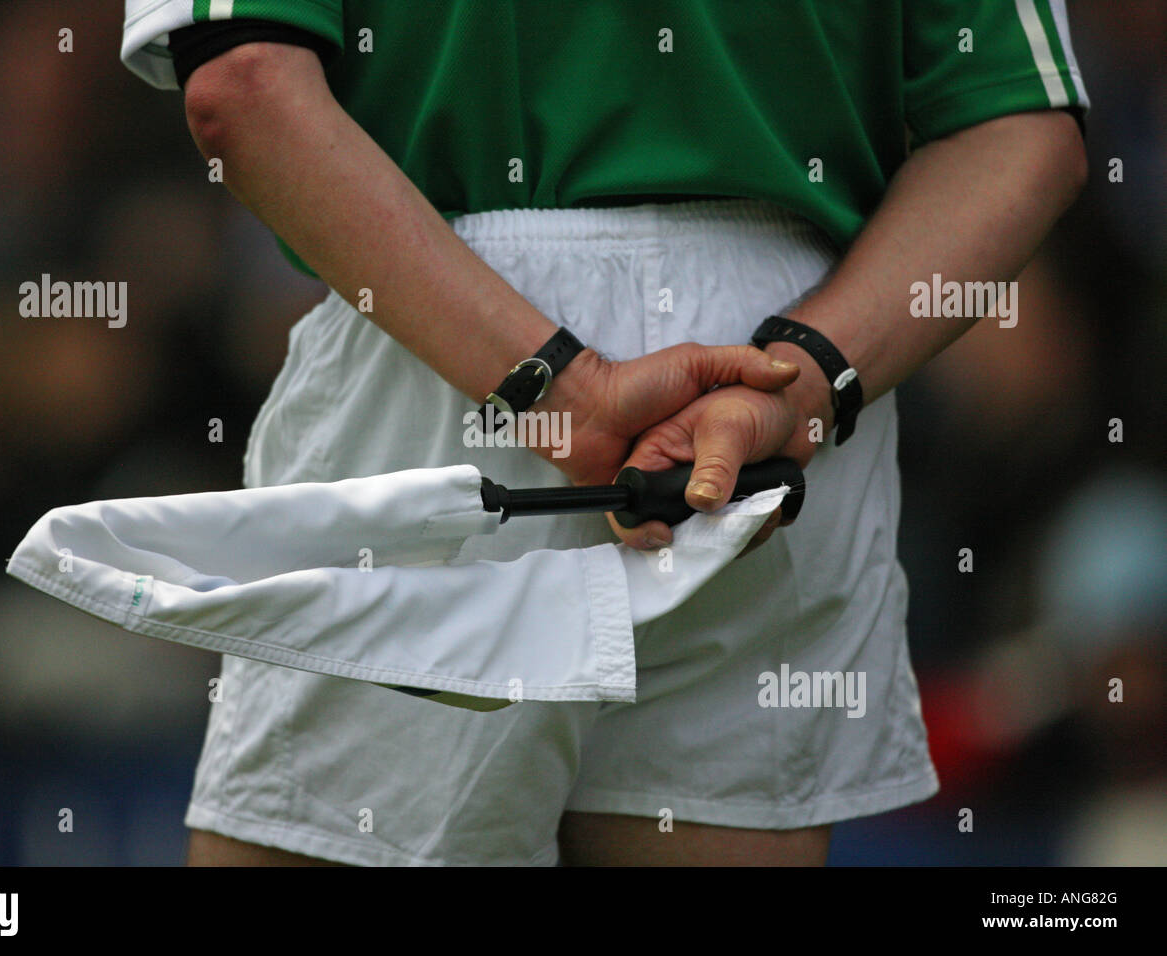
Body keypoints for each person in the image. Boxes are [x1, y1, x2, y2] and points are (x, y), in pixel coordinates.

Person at [120, 1, 1088, 866]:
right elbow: (1018, 124)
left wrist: (562, 388)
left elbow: (241, 85)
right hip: (772, 404)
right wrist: (799, 384)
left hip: (438, 367)